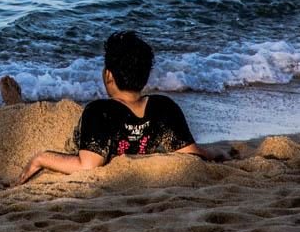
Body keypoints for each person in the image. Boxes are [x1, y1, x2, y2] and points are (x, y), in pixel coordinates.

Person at [17, 30, 207, 183]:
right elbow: (191, 154)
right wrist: (218, 150)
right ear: (146, 76)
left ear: (108, 75)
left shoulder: (100, 111)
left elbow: (88, 165)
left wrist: (41, 158)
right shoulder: (164, 107)